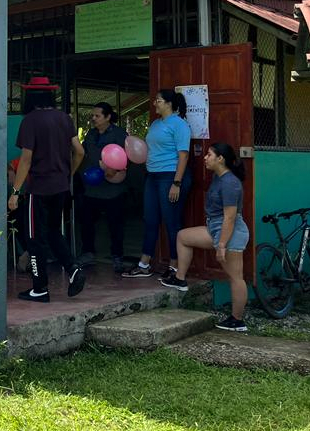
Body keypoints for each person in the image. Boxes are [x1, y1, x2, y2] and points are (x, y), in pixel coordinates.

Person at [8, 76, 87, 303]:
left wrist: (15, 191)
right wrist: (68, 174)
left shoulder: (30, 120)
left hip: (38, 189)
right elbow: (79, 151)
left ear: (30, 96)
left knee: (35, 238)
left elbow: (26, 159)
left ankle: (39, 288)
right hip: (61, 187)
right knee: (53, 231)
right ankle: (73, 268)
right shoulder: (64, 118)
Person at [161, 143, 250, 332]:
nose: (205, 157)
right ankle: (180, 278)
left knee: (236, 278)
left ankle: (237, 320)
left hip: (230, 232)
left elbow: (230, 217)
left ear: (220, 159)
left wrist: (222, 245)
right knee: (183, 237)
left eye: (209, 155)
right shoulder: (219, 177)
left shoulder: (230, 183)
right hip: (216, 227)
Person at [124, 88, 192, 280]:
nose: (155, 103)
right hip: (152, 176)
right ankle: (144, 264)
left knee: (171, 223)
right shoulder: (155, 124)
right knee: (150, 220)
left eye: (159, 101)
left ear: (169, 104)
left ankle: (174, 266)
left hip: (170, 176)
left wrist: (176, 183)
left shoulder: (179, 124)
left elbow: (183, 155)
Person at [76, 102, 129, 273]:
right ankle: (88, 253)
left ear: (108, 117)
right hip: (92, 187)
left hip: (113, 187)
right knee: (86, 222)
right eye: (93, 115)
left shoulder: (120, 134)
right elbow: (83, 154)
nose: (93, 118)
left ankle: (117, 256)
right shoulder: (90, 134)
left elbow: (127, 157)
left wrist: (115, 168)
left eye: (97, 116)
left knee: (115, 224)